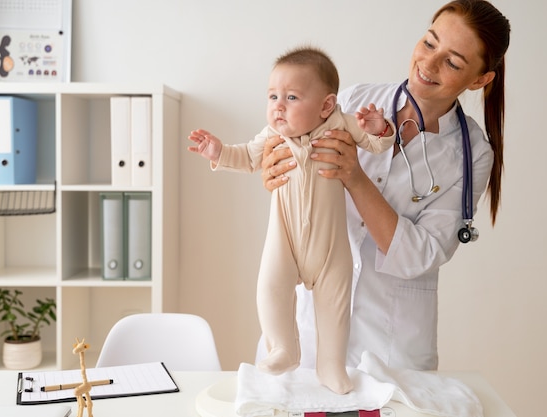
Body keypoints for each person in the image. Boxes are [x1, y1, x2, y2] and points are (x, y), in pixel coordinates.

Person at [258, 0, 510, 372]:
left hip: (391, 344)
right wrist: (273, 168)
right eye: (429, 43)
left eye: (453, 62)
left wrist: (355, 177)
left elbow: (416, 256)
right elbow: (293, 172)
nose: (428, 64)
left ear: (479, 80)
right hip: (310, 325)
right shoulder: (351, 103)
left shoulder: (471, 155)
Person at [188, 46, 395, 394]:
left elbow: (376, 144)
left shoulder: (341, 125)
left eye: (292, 97)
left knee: (335, 306)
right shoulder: (272, 136)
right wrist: (218, 152)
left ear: (326, 105)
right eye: (272, 96)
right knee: (269, 287)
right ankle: (283, 348)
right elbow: (246, 157)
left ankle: (331, 366)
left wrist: (379, 128)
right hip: (284, 239)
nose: (278, 106)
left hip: (330, 247)